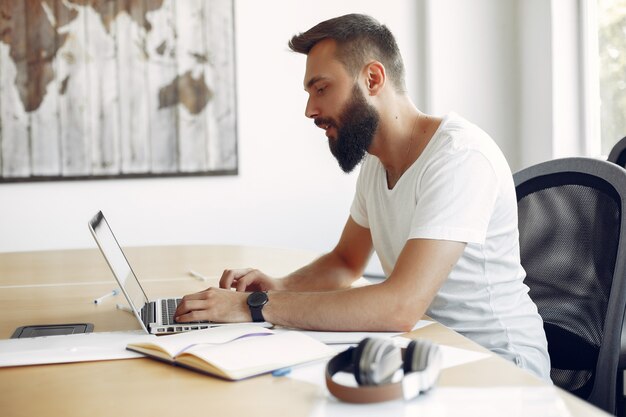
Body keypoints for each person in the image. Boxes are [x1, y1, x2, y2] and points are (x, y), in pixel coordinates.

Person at [174, 13, 551, 381]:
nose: (310, 110)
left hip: (498, 366)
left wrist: (254, 307)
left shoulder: (459, 158)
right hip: (426, 353)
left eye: (321, 89)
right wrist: (280, 285)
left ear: (372, 78)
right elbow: (344, 262)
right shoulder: (377, 163)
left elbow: (400, 305)